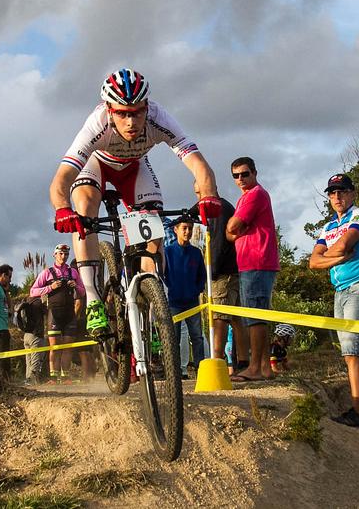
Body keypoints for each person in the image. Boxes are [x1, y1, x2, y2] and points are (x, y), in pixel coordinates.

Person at [48, 69, 220, 340]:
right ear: (109, 110)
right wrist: (62, 209)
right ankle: (93, 298)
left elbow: (198, 163)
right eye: (122, 113)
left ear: (147, 107)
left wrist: (209, 195)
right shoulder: (97, 124)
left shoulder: (159, 118)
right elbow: (62, 179)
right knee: (84, 205)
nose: (131, 121)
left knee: (153, 237)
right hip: (97, 165)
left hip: (134, 168)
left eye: (137, 112)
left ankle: (153, 312)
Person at [308, 173, 359, 427]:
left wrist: (333, 253)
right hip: (340, 288)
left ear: (352, 193)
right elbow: (314, 261)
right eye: (332, 192)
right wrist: (337, 258)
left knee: (352, 352)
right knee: (356, 353)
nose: (337, 196)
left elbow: (346, 243)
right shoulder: (327, 226)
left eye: (342, 191)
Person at [226, 157, 280, 382]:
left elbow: (231, 228)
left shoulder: (255, 194)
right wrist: (235, 228)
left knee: (254, 317)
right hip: (253, 261)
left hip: (256, 260)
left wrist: (236, 227)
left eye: (244, 174)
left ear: (254, 173)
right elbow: (231, 233)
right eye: (236, 175)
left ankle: (256, 367)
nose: (240, 179)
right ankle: (265, 368)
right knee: (258, 315)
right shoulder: (245, 197)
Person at [31, 243, 85, 384]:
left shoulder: (73, 272)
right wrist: (50, 287)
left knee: (67, 347)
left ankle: (65, 377)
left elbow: (83, 291)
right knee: (54, 347)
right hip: (54, 313)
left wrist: (76, 286)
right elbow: (33, 291)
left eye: (66, 254)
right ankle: (53, 378)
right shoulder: (46, 272)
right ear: (54, 255)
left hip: (69, 314)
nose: (64, 256)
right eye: (61, 253)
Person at [206, 197, 248, 370]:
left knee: (220, 317)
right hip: (234, 269)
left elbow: (219, 241)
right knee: (237, 318)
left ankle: (218, 361)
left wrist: (213, 270)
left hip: (223, 272)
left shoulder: (218, 209)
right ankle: (244, 361)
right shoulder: (221, 206)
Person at [163, 215, 207, 373]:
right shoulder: (167, 252)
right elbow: (163, 274)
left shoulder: (196, 252)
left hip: (192, 302)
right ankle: (175, 371)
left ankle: (200, 369)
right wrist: (170, 289)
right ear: (176, 230)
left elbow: (202, 275)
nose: (187, 231)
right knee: (173, 338)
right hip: (174, 303)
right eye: (184, 228)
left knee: (197, 336)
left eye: (190, 228)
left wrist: (197, 289)